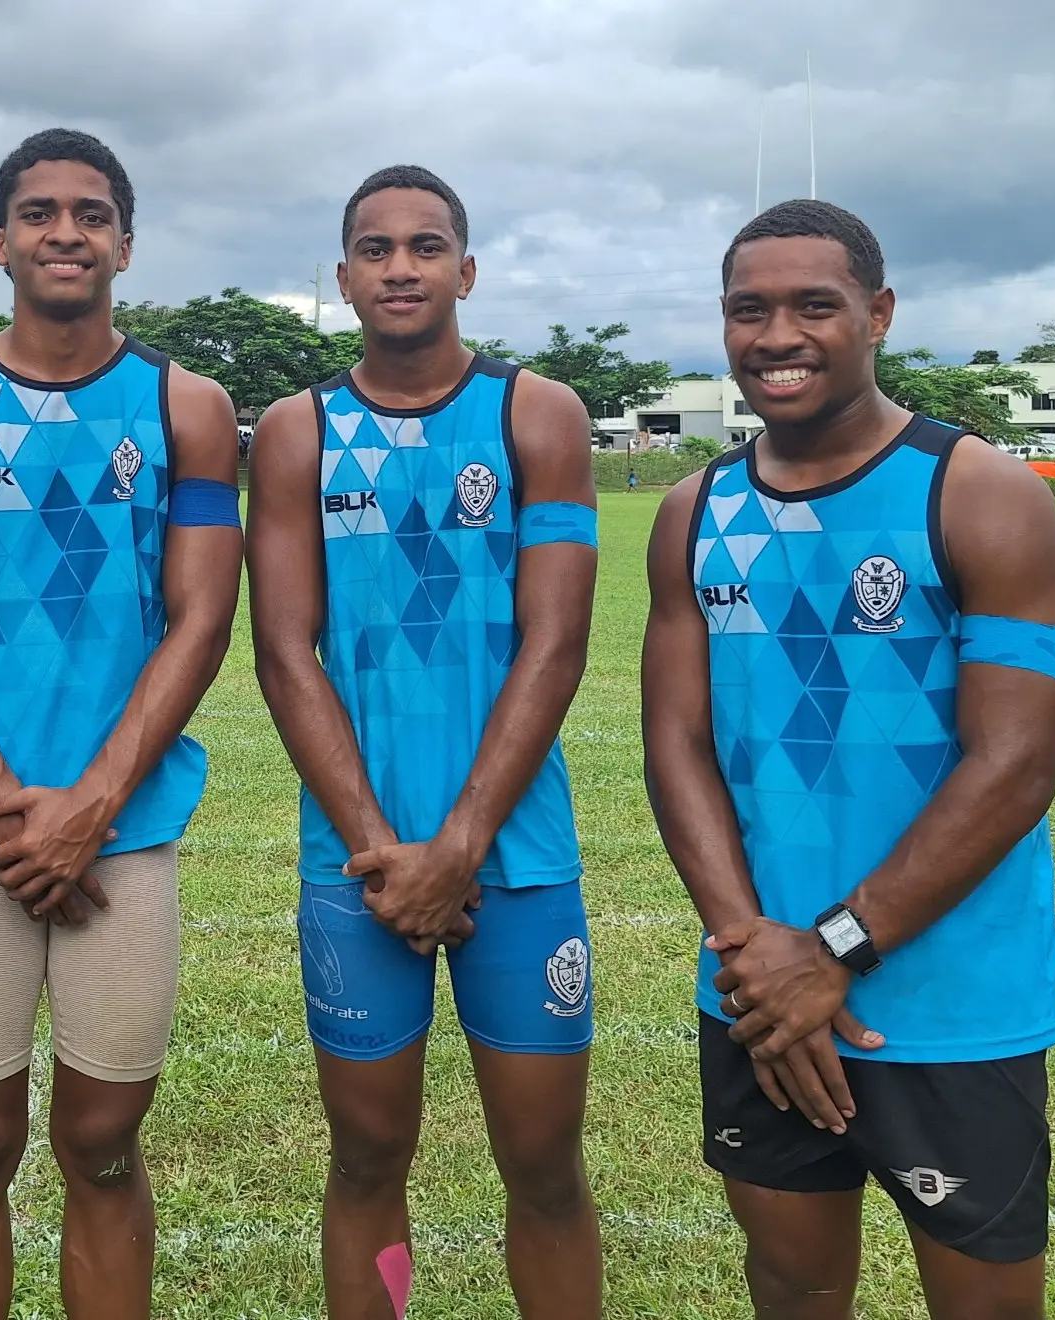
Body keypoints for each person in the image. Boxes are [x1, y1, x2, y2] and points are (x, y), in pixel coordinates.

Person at [642, 199, 1055, 1319]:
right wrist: (753, 954)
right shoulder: (695, 510)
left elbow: (1015, 767)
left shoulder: (980, 493)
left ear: (877, 315)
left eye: (813, 306)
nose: (777, 334)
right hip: (757, 997)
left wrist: (832, 949)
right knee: (791, 1285)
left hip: (949, 1000)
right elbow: (677, 743)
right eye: (750, 310)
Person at [0, 128, 242, 1319]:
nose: (65, 233)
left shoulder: (188, 404)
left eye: (92, 214)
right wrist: (10, 810)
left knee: (103, 1143)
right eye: (39, 213)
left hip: (122, 832)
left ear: (126, 242)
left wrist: (90, 804)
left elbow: (198, 621)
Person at [248, 166, 601, 1320]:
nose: (401, 266)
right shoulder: (298, 431)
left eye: (426, 244)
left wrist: (460, 841)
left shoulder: (534, 414)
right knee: (364, 1162)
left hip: (517, 859)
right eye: (376, 248)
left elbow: (554, 647)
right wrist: (383, 847)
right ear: (344, 275)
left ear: (466, 268)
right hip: (358, 871)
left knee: (544, 1171)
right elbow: (285, 651)